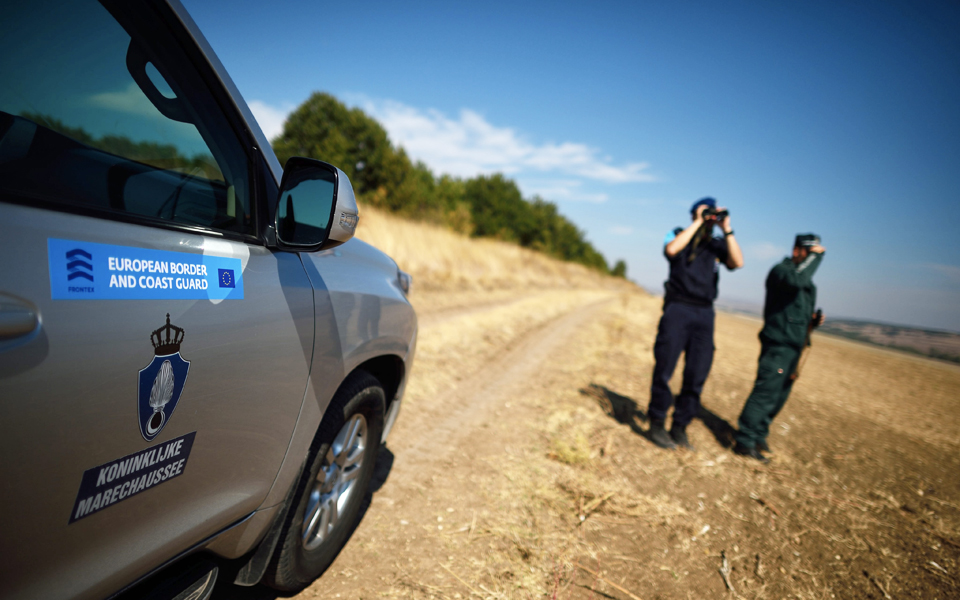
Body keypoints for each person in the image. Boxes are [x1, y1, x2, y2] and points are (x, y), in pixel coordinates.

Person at [647, 197, 744, 450]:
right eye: (705, 212)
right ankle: (656, 422)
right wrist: (699, 221)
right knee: (665, 366)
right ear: (693, 213)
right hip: (678, 307)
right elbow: (671, 250)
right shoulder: (678, 233)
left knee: (697, 373)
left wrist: (727, 228)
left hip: (705, 313)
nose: (710, 216)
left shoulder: (716, 244)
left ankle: (680, 427)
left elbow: (737, 262)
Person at [734, 234, 826, 462]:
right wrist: (816, 258)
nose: (813, 256)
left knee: (779, 396)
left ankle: (758, 436)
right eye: (809, 251)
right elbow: (797, 280)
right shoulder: (782, 271)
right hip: (779, 344)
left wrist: (811, 322)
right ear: (797, 251)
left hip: (795, 347)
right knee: (765, 393)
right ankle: (744, 441)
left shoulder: (806, 282)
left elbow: (796, 301)